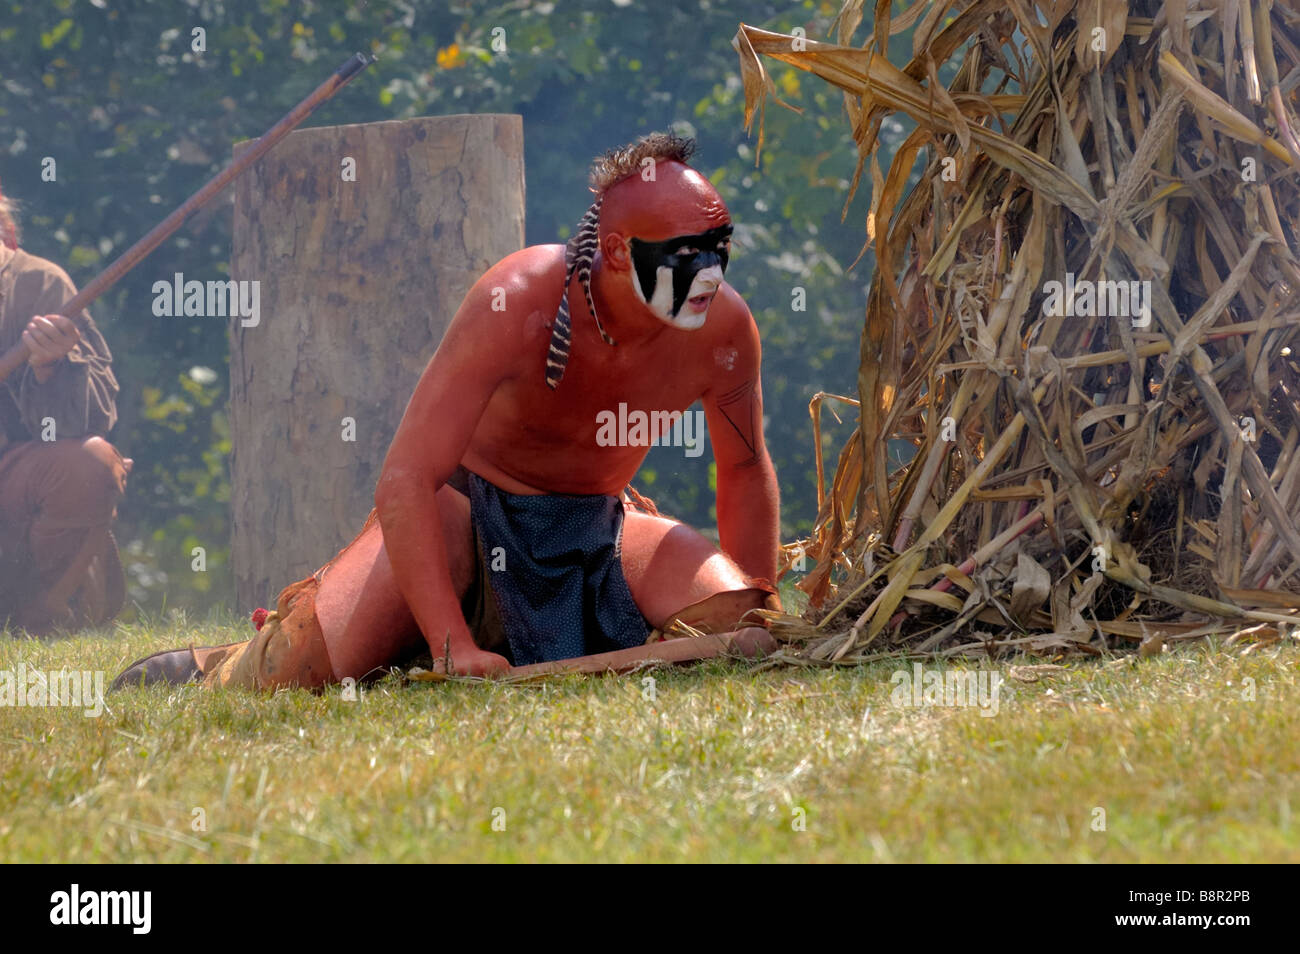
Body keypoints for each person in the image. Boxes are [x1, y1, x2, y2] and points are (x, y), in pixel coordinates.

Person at [115, 132, 780, 689]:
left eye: (720, 246)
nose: (712, 273)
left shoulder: (726, 330)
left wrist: (765, 598)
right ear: (614, 252)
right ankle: (220, 664)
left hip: (597, 530)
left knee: (735, 628)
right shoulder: (518, 297)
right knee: (311, 671)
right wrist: (449, 646)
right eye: (686, 254)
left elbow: (744, 469)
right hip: (461, 524)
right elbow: (405, 480)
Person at [0, 176, 129, 634]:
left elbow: (97, 418)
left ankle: (43, 617)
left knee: (87, 465)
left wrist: (50, 369)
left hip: (15, 502)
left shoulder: (39, 284)